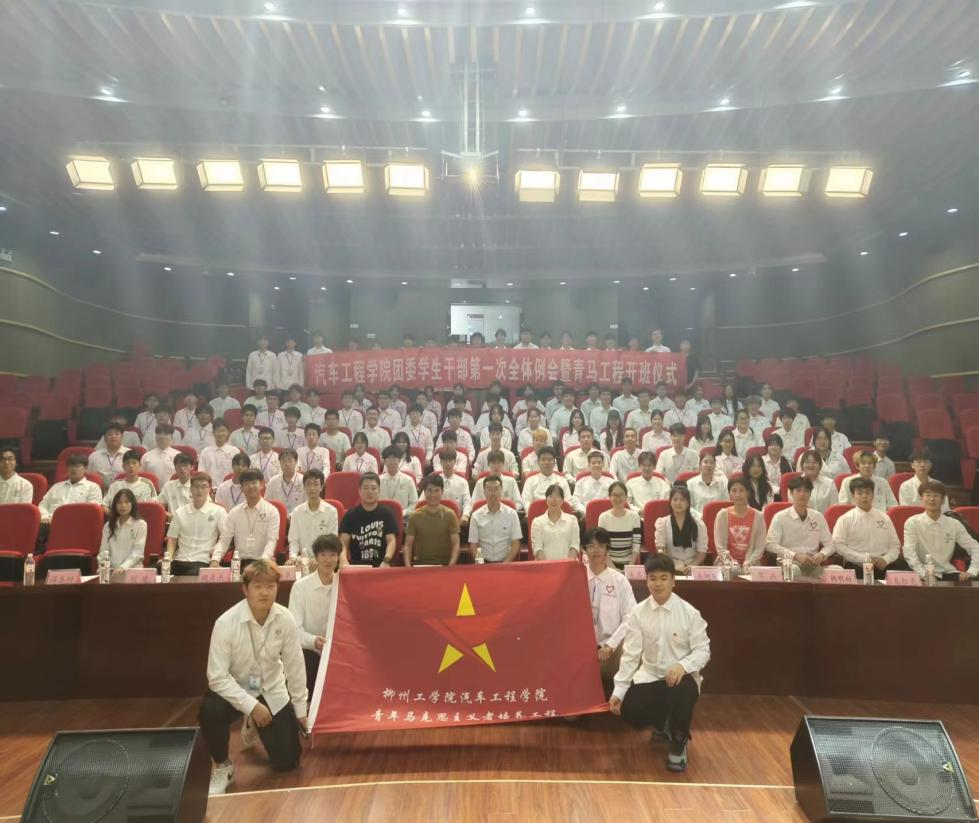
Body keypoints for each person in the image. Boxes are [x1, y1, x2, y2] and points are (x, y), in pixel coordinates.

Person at [199, 558, 307, 796]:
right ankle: (223, 766)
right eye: (258, 586)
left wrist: (301, 709)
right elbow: (216, 677)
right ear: (245, 589)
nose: (265, 592)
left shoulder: (285, 618)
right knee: (210, 710)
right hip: (236, 691)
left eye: (270, 586)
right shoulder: (226, 623)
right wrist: (252, 706)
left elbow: (295, 665)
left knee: (287, 762)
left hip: (272, 689)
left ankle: (252, 726)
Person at [610, 554, 710, 773]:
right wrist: (619, 691)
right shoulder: (638, 613)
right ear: (646, 581)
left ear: (673, 581)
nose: (658, 584)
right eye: (653, 578)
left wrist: (683, 665)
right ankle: (664, 722)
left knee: (684, 691)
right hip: (650, 676)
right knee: (629, 709)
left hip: (681, 679)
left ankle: (678, 742)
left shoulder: (689, 613)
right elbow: (630, 655)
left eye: (664, 578)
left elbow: (703, 650)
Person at [585, 528, 638, 694]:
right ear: (584, 550)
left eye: (601, 546)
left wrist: (611, 644)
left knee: (634, 649)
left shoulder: (620, 581)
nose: (596, 550)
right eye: (591, 546)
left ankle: (619, 695)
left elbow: (630, 616)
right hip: (581, 649)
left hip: (611, 649)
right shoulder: (576, 577)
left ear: (607, 549)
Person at [288, 534, 339, 698]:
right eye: (323, 554)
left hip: (336, 649)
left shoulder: (343, 585)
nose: (328, 560)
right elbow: (294, 630)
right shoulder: (300, 587)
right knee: (306, 661)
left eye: (333, 554)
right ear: (316, 557)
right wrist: (314, 641)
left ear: (338, 557)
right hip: (309, 649)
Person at [904, 481, 979, 581]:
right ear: (921, 498)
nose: (932, 499)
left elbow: (975, 547)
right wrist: (924, 574)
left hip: (947, 572)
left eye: (936, 495)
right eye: (927, 495)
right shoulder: (913, 522)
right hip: (921, 572)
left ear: (943, 500)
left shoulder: (954, 524)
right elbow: (909, 552)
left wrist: (972, 571)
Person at [765, 475, 835, 578]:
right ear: (791, 493)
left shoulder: (818, 517)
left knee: (837, 571)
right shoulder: (780, 517)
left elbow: (830, 544)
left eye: (806, 491)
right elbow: (770, 544)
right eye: (798, 490)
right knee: (795, 571)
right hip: (788, 563)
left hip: (812, 564)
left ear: (810, 494)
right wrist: (795, 556)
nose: (802, 494)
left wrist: (822, 554)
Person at [832, 477, 901, 578]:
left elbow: (895, 545)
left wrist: (885, 559)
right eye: (859, 493)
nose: (864, 496)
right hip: (857, 565)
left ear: (873, 495)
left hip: (883, 565)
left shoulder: (884, 518)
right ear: (852, 495)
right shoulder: (845, 519)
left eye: (868, 493)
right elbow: (838, 545)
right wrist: (863, 558)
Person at [213, 470, 281, 566]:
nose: (250, 486)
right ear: (241, 488)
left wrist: (262, 562)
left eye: (254, 483)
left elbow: (271, 541)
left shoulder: (272, 511)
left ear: (262, 485)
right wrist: (215, 559)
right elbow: (224, 540)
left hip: (262, 562)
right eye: (246, 484)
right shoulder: (234, 512)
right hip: (239, 563)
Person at [166, 472, 227, 575]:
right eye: (196, 487)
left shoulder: (219, 511)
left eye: (203, 487)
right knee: (154, 571)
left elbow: (225, 538)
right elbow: (172, 538)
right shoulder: (180, 512)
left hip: (202, 561)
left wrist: (215, 559)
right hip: (179, 559)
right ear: (190, 489)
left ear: (209, 489)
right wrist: (168, 559)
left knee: (190, 576)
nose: (199, 490)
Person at [339, 473, 398, 567]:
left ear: (379, 491)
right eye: (365, 488)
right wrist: (343, 560)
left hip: (381, 566)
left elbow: (391, 541)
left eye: (373, 488)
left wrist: (386, 560)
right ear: (359, 491)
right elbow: (343, 543)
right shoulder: (350, 515)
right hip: (357, 567)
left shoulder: (387, 513)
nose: (369, 492)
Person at [404, 475, 460, 567]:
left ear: (442, 492)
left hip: (445, 565)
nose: (433, 495)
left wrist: (451, 566)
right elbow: (408, 545)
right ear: (424, 492)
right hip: (421, 565)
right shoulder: (414, 516)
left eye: (437, 490)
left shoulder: (450, 515)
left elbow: (456, 544)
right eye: (429, 490)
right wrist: (408, 568)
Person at [713, 477, 766, 569]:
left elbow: (759, 547)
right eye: (734, 491)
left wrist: (748, 563)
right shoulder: (722, 515)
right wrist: (732, 564)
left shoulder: (758, 516)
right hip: (726, 563)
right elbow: (720, 547)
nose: (738, 494)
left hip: (751, 564)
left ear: (748, 493)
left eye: (742, 490)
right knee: (731, 571)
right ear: (729, 493)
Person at [653, 486, 707, 574]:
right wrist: (672, 566)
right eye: (675, 499)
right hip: (669, 566)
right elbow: (660, 549)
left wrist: (693, 565)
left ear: (688, 503)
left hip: (693, 567)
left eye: (682, 500)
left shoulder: (699, 524)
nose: (678, 503)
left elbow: (702, 551)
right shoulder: (662, 523)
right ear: (670, 502)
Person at [467, 476, 521, 563]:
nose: (493, 493)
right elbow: (474, 545)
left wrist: (505, 564)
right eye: (489, 489)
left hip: (506, 562)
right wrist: (481, 564)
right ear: (484, 492)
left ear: (501, 491)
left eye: (496, 489)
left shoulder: (512, 514)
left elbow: (515, 543)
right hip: (483, 563)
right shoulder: (476, 516)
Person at [287, 470, 339, 560]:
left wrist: (320, 559)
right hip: (303, 560)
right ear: (304, 487)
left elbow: (332, 542)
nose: (311, 488)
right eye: (308, 484)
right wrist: (293, 558)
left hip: (324, 560)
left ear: (322, 487)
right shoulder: (297, 512)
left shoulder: (331, 511)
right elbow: (293, 541)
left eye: (315, 484)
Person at [38, 454, 102, 523]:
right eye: (70, 466)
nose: (73, 469)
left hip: (76, 524)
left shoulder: (93, 488)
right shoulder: (56, 486)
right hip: (50, 522)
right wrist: (45, 517)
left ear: (86, 468)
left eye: (77, 466)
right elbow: (43, 505)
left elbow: (92, 511)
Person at [98, 489, 147, 573]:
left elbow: (138, 552)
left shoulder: (140, 524)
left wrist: (123, 567)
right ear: (115, 505)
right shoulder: (108, 525)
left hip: (133, 571)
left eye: (127, 502)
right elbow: (103, 551)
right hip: (111, 570)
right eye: (119, 502)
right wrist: (102, 566)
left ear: (133, 504)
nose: (123, 505)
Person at [522, 447, 580, 514]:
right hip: (536, 516)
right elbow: (526, 501)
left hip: (559, 516)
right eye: (543, 459)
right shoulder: (530, 481)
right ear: (538, 462)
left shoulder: (562, 481)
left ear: (554, 462)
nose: (546, 462)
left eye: (549, 459)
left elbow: (567, 502)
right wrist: (532, 514)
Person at [598, 482, 642, 568]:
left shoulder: (634, 516)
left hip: (629, 562)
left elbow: (636, 544)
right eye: (614, 495)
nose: (618, 498)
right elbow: (602, 546)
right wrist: (613, 569)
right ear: (609, 497)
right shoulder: (603, 517)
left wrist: (629, 566)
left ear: (626, 497)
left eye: (621, 494)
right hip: (608, 564)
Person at [530, 484, 580, 560]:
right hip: (544, 565)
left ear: (562, 501)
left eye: (557, 496)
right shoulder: (537, 522)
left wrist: (568, 565)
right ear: (546, 500)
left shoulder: (572, 520)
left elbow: (574, 546)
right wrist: (548, 566)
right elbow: (538, 549)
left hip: (568, 565)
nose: (554, 499)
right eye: (550, 496)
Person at [379, 446, 419, 513]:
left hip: (403, 517)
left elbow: (414, 504)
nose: (392, 462)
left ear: (399, 460)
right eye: (389, 458)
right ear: (385, 461)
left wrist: (402, 513)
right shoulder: (378, 480)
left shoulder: (408, 480)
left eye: (394, 458)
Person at [141, 424, 180, 490]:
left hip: (173, 491)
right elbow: (141, 476)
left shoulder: (178, 456)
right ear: (156, 438)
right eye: (160, 438)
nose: (163, 440)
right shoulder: (147, 456)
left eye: (166, 438)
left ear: (171, 439)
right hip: (151, 491)